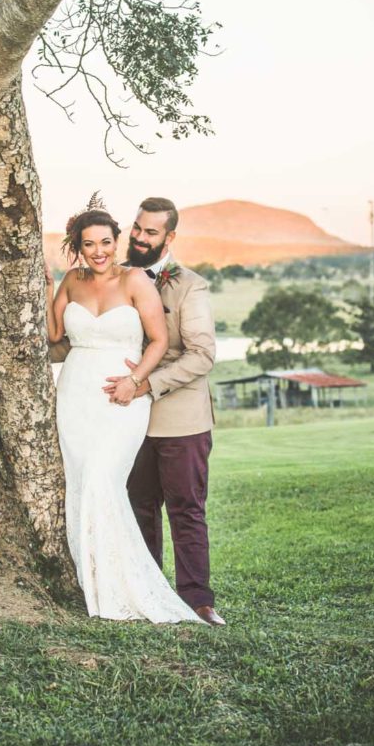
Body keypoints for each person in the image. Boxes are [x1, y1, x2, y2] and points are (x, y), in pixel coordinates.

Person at [45, 198, 201, 623]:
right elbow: (55, 334)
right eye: (88, 244)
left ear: (117, 241)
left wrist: (135, 381)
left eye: (105, 242)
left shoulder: (135, 280)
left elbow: (159, 341)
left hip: (124, 398)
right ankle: (93, 581)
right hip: (75, 395)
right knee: (81, 483)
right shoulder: (71, 280)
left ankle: (126, 584)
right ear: (78, 247)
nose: (98, 251)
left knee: (103, 478)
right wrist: (45, 285)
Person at [103, 197, 225, 627]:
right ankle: (148, 593)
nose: (139, 237)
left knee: (186, 510)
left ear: (169, 237)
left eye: (150, 232)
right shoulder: (114, 278)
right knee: (138, 507)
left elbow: (201, 355)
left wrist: (146, 383)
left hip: (181, 420)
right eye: (137, 228)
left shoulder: (190, 286)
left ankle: (198, 601)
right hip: (126, 420)